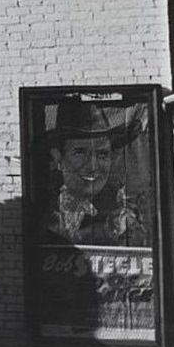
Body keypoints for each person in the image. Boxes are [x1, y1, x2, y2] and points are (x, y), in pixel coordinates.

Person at [43, 103, 149, 246]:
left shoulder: (120, 215)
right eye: (80, 152)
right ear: (57, 158)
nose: (93, 167)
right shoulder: (43, 204)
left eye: (102, 154)